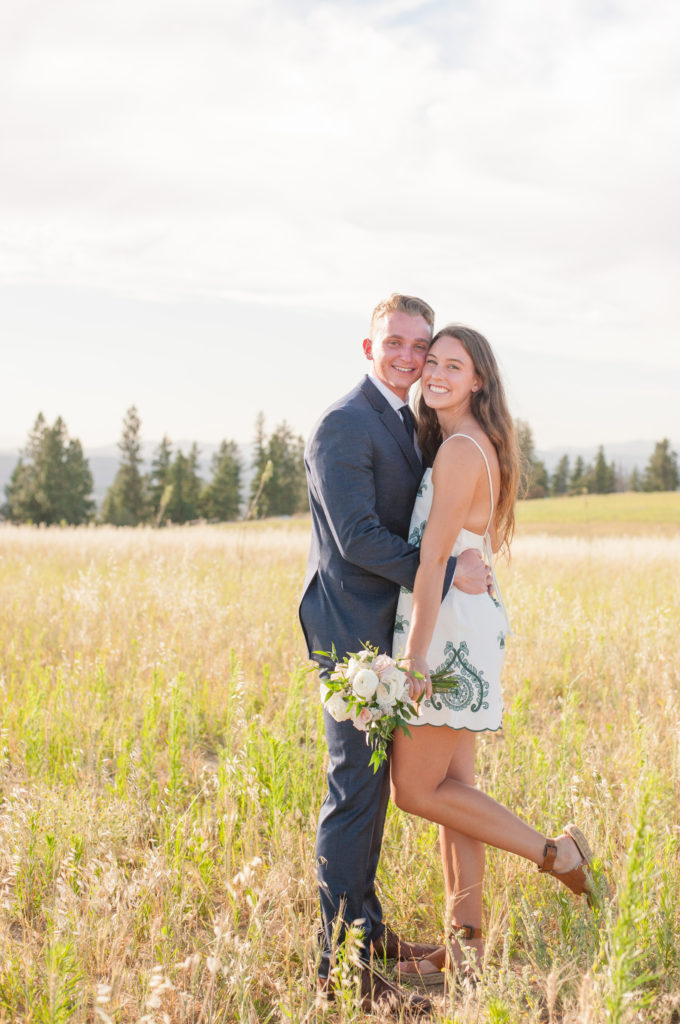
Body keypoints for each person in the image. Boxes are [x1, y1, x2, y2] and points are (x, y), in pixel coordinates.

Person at [299, 295, 491, 1015]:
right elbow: (357, 539)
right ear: (368, 348)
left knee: (374, 791)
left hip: (393, 630)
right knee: (354, 792)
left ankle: (369, 934)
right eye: (396, 344)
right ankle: (341, 971)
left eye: (421, 346)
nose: (410, 357)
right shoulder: (344, 423)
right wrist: (445, 573)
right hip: (352, 634)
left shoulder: (410, 422)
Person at [390, 324, 595, 986]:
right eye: (433, 362)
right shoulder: (472, 442)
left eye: (454, 366)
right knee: (454, 795)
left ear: (478, 380)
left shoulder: (459, 450)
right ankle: (467, 953)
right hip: (466, 621)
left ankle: (556, 854)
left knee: (416, 790)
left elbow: (432, 560)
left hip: (446, 633)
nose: (436, 373)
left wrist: (414, 655)